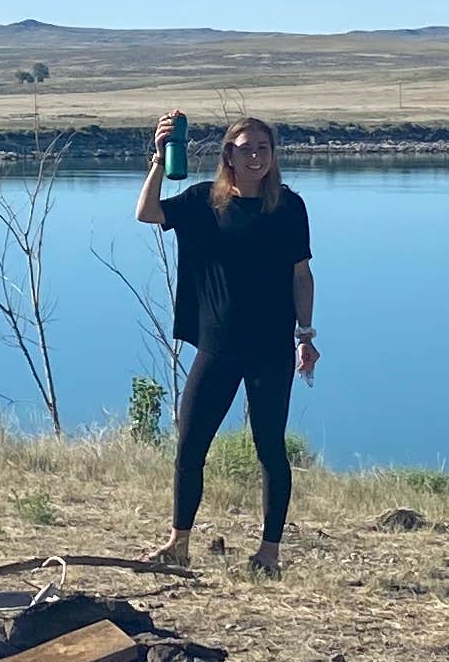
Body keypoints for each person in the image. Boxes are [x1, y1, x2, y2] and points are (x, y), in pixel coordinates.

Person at [136, 113, 317, 572]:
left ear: (272, 156)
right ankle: (178, 543)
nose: (254, 156)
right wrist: (159, 160)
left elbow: (301, 274)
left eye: (262, 148)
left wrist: (306, 335)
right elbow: (147, 213)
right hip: (216, 347)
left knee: (270, 450)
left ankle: (269, 552)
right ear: (228, 155)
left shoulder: (289, 207)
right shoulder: (204, 201)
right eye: (244, 148)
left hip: (271, 348)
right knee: (190, 445)